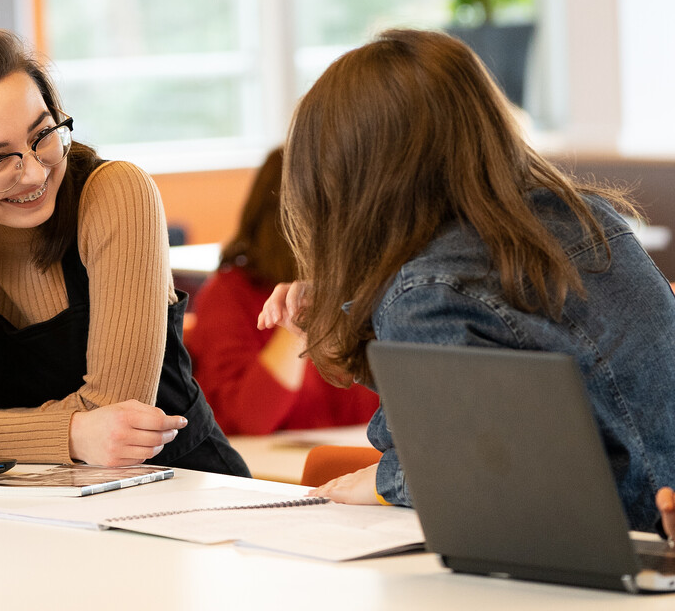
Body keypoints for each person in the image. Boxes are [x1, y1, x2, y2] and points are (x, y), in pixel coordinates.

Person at [257, 28, 675, 536]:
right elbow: (517, 388)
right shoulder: (590, 217)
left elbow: (477, 473)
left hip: (605, 552)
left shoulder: (428, 290)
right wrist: (353, 314)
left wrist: (390, 480)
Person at [0, 28, 248, 475]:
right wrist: (74, 433)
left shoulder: (116, 194)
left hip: (179, 482)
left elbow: (117, 414)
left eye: (43, 135)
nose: (33, 173)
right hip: (32, 490)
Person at [185, 148, 380, 434]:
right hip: (271, 471)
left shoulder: (361, 291)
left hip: (349, 465)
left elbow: (383, 411)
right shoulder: (229, 294)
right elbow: (247, 419)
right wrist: (296, 324)